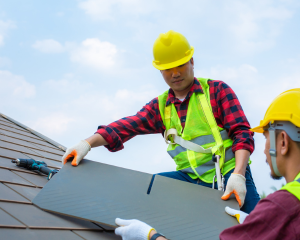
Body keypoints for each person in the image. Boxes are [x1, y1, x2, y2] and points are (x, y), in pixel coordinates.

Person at [114, 89, 300, 240]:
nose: (264, 150)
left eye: (266, 138)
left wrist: (152, 238)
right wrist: (263, 226)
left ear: (283, 142)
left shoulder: (287, 204)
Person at [62, 30, 260, 213]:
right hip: (189, 178)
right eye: (167, 68)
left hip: (229, 174)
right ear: (160, 71)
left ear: (192, 61)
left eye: (180, 64)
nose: (175, 73)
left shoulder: (216, 91)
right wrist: (86, 144)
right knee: (151, 190)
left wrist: (239, 174)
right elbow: (127, 126)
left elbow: (242, 133)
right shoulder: (161, 106)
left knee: (260, 227)